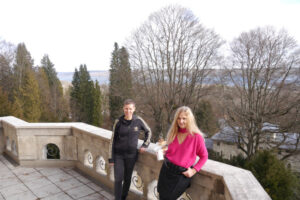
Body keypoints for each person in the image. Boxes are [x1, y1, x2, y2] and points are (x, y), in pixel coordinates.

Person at [157, 106, 208, 200]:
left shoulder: (196, 137)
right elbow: (173, 150)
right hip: (166, 169)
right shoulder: (173, 133)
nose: (181, 121)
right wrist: (164, 152)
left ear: (190, 119)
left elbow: (204, 156)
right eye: (179, 118)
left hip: (181, 174)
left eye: (184, 118)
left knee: (168, 198)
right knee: (161, 195)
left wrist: (193, 171)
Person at [108, 99, 152, 200]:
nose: (128, 111)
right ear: (123, 109)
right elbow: (112, 140)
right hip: (118, 155)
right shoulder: (118, 122)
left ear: (134, 109)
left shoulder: (138, 121)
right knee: (118, 179)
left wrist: (145, 145)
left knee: (127, 179)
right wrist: (111, 158)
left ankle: (123, 197)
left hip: (131, 156)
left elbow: (148, 131)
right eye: (126, 109)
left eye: (130, 109)